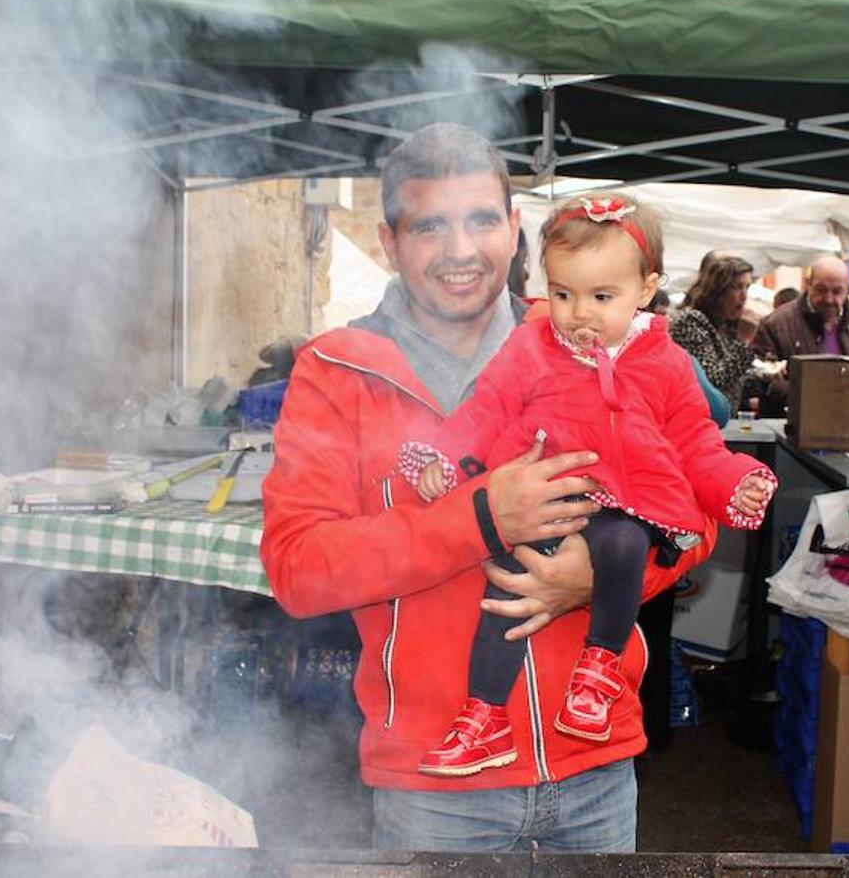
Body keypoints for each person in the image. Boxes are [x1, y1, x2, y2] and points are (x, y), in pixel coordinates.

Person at [261, 123, 718, 853]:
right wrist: (481, 519)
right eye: (428, 227)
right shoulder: (338, 373)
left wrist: (601, 576)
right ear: (389, 240)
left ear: (514, 228)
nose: (459, 251)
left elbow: (698, 507)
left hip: (596, 770)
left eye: (480, 220)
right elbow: (299, 568)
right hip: (433, 790)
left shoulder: (596, 337)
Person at [399, 193, 777, 777]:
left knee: (624, 544)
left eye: (602, 297)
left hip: (632, 504)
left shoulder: (668, 363)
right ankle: (485, 716)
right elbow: (486, 409)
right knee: (507, 592)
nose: (579, 314)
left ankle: (598, 669)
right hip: (541, 498)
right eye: (562, 294)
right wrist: (444, 457)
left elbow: (697, 441)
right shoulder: (530, 346)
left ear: (645, 290)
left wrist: (735, 480)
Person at [750, 255, 849, 417]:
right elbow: (760, 377)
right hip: (791, 429)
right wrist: (817, 401)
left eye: (837, 291)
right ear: (808, 285)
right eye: (821, 290)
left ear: (847, 289)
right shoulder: (775, 324)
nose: (829, 298)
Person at [669, 254, 759, 406]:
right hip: (698, 420)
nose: (744, 296)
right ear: (718, 292)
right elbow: (713, 382)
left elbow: (731, 375)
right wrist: (744, 340)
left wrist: (760, 377)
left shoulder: (722, 323)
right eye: (737, 287)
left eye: (747, 287)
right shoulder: (691, 321)